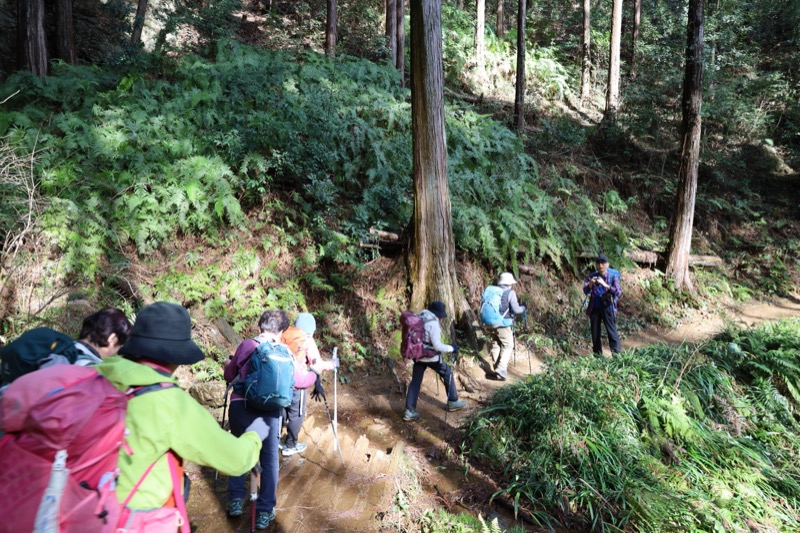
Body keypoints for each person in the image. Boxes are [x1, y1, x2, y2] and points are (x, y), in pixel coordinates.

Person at [96, 302, 265, 518]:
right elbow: (234, 459)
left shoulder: (92, 375)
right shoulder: (168, 402)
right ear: (177, 355)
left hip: (79, 509)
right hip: (130, 519)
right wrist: (254, 438)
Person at [224, 310, 292, 529]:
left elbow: (229, 374)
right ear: (282, 331)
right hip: (270, 413)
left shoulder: (247, 345)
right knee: (270, 459)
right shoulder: (284, 352)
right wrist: (316, 373)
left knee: (238, 450)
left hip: (241, 406)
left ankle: (235, 500)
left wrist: (230, 364)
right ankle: (264, 512)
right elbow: (299, 380)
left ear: (260, 325)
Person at [280, 313, 335, 457]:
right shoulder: (307, 340)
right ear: (311, 329)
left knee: (282, 409)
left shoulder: (283, 334)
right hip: (298, 383)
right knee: (296, 414)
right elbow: (317, 364)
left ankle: (276, 440)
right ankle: (290, 445)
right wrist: (332, 364)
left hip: (280, 382)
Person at [402, 301, 467, 421]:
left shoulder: (421, 315)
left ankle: (409, 410)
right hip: (430, 357)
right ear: (439, 315)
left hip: (418, 355)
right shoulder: (434, 323)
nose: (442, 318)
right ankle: (453, 401)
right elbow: (437, 346)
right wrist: (451, 348)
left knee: (416, 381)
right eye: (441, 316)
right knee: (447, 372)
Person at [488, 272, 526, 380]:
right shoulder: (510, 293)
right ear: (509, 283)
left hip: (490, 323)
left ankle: (497, 370)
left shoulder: (493, 291)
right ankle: (501, 368)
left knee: (496, 343)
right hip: (503, 324)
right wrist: (523, 307)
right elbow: (516, 310)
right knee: (508, 345)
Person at [583, 254, 622, 356]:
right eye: (598, 263)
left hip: (607, 307)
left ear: (607, 265)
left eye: (603, 263)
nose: (600, 265)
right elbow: (585, 290)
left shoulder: (613, 276)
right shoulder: (592, 276)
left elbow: (618, 292)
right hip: (594, 307)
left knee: (611, 331)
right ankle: (597, 356)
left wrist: (605, 285)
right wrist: (590, 284)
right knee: (595, 333)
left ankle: (617, 355)